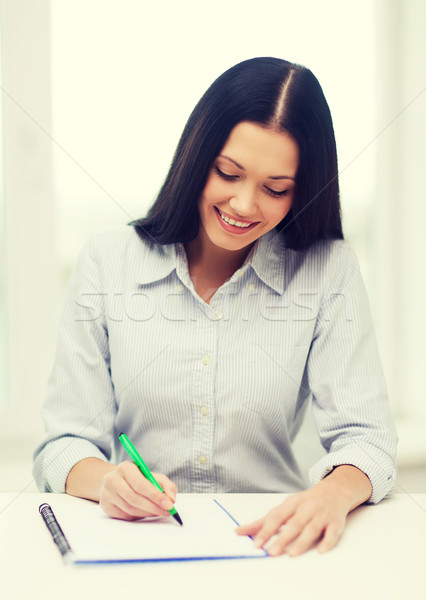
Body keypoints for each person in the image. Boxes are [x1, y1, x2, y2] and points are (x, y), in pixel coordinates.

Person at [33, 57, 397, 557]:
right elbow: (62, 446)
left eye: (276, 189)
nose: (245, 205)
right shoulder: (107, 261)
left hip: (271, 542)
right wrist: (105, 481)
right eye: (228, 172)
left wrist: (332, 495)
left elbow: (368, 441)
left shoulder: (328, 271)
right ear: (195, 156)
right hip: (138, 545)